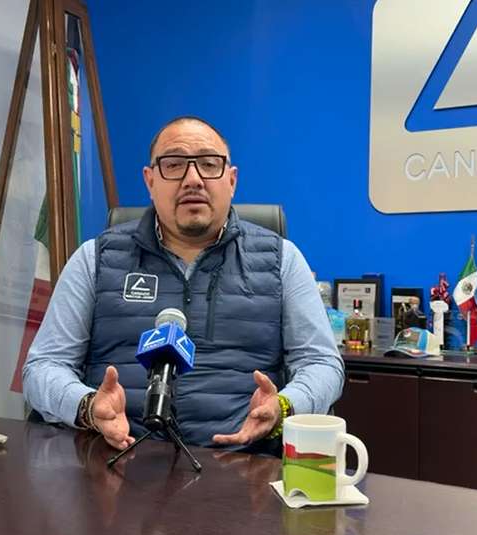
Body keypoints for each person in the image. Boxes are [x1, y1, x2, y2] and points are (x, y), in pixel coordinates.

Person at [23, 116, 344, 453]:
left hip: (244, 462)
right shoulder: (95, 258)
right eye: (174, 164)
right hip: (118, 458)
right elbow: (44, 366)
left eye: (209, 164)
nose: (193, 179)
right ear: (150, 181)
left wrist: (283, 407)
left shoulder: (282, 260)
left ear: (231, 180)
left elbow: (322, 364)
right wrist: (88, 407)